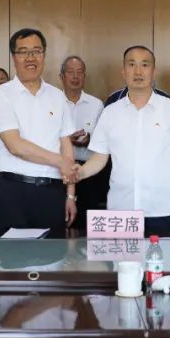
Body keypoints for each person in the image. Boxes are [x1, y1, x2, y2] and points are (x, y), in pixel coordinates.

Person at [77, 46, 170, 236]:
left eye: (145, 65)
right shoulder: (110, 112)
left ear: (154, 71)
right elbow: (100, 158)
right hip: (120, 211)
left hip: (161, 209)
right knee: (121, 257)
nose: (138, 71)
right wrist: (79, 173)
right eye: (132, 65)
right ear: (123, 71)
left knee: (161, 256)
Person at [0, 28, 77, 237]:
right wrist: (59, 161)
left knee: (53, 254)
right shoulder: (1, 95)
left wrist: (70, 195)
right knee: (13, 256)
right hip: (14, 191)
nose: (30, 57)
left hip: (52, 192)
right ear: (13, 57)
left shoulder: (58, 96)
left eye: (36, 51)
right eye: (23, 52)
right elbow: (15, 146)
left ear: (44, 55)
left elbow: (67, 147)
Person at [60, 55, 105, 221]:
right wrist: (66, 140)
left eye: (79, 72)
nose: (75, 76)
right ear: (61, 76)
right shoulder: (53, 102)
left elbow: (103, 140)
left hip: (89, 170)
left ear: (84, 76)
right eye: (70, 72)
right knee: (61, 220)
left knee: (88, 222)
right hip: (60, 171)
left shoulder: (96, 104)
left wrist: (89, 140)